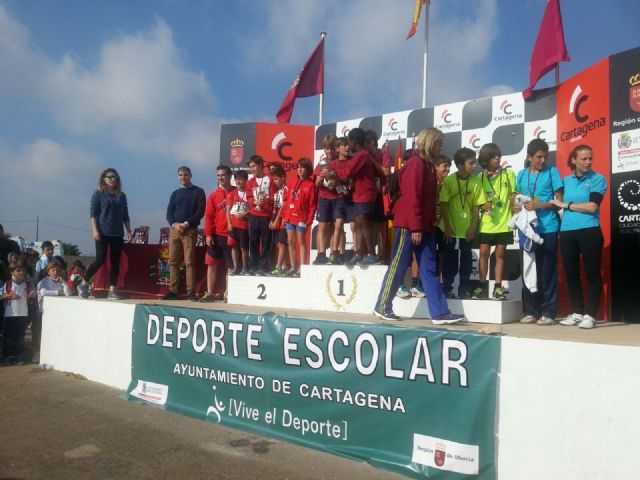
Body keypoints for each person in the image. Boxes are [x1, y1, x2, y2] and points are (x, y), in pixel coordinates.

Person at [374, 128, 464, 324]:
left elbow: (429, 199)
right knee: (398, 266)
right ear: (430, 143)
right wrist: (415, 227)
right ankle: (382, 306)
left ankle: (440, 313)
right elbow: (412, 196)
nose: (441, 146)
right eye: (439, 143)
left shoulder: (428, 166)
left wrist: (431, 222)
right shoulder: (415, 163)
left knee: (429, 268)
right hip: (409, 225)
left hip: (425, 227)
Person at [550, 145, 607, 329]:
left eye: (590, 158)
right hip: (567, 232)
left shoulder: (598, 179)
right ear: (573, 160)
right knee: (571, 274)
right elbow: (554, 203)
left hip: (590, 231)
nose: (588, 162)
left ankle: (590, 315)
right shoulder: (565, 181)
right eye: (584, 158)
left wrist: (566, 204)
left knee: (592, 274)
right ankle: (577, 312)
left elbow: (592, 207)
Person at [515, 138, 563, 325]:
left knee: (547, 270)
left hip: (548, 227)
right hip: (527, 229)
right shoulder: (520, 174)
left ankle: (548, 312)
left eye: (545, 156)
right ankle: (531, 311)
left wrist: (540, 205)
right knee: (528, 269)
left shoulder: (553, 172)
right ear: (529, 157)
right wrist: (516, 206)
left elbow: (559, 201)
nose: (543, 160)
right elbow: (517, 198)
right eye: (539, 157)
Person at [439, 148, 485, 299]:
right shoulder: (450, 180)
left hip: (467, 229)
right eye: (471, 163)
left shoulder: (476, 181)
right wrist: (448, 226)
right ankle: (447, 287)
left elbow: (476, 206)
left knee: (466, 260)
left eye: (474, 162)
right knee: (449, 259)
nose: (474, 166)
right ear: (459, 165)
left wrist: (472, 227)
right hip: (449, 229)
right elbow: (444, 204)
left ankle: (464, 288)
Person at [78, 169, 131, 300]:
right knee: (100, 259)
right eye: (110, 177)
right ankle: (84, 283)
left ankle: (112, 290)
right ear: (104, 179)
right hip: (102, 231)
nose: (113, 179)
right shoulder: (98, 194)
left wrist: (129, 230)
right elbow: (93, 214)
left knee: (115, 262)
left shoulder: (122, 196)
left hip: (117, 232)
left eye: (115, 177)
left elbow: (125, 215)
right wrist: (95, 230)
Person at [473, 143, 516, 300]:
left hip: (504, 222)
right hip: (487, 222)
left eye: (498, 155)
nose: (497, 157)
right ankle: (482, 286)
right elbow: (476, 201)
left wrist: (515, 202)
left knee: (500, 254)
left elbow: (514, 194)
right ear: (485, 159)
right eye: (493, 156)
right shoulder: (479, 178)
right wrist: (483, 204)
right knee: (484, 253)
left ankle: (498, 287)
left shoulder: (508, 174)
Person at [335, 128, 378, 266]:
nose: (348, 145)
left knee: (362, 222)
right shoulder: (361, 155)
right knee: (359, 223)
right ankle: (359, 253)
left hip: (365, 194)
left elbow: (346, 173)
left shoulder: (362, 155)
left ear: (353, 141)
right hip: (359, 194)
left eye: (349, 142)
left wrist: (334, 174)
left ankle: (371, 253)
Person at [162, 166, 206, 301]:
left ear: (190, 175)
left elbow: (200, 212)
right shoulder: (175, 193)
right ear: (178, 177)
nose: (183, 177)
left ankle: (191, 292)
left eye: (185, 175)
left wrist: (186, 223)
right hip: (175, 230)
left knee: (189, 262)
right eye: (180, 175)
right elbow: (169, 213)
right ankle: (173, 291)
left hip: (190, 230)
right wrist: (175, 225)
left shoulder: (198, 192)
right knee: (173, 261)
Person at [201, 165, 235, 303]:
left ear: (229, 176)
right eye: (218, 175)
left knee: (230, 265)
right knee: (212, 264)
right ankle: (209, 292)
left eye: (223, 175)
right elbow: (208, 216)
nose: (220, 178)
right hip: (215, 235)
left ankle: (227, 293)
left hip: (231, 235)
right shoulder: (213, 196)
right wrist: (208, 234)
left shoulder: (236, 193)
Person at [282, 157, 316, 277]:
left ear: (308, 169)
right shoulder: (292, 182)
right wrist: (285, 217)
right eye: (299, 167)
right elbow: (287, 201)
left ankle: (303, 268)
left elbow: (313, 205)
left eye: (303, 167)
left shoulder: (311, 184)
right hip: (290, 217)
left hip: (302, 218)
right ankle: (293, 266)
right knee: (290, 242)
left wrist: (309, 220)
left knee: (301, 241)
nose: (300, 170)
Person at [1, 259, 37, 366]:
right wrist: (9, 296)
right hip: (9, 315)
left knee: (20, 336)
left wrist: (32, 296)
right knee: (8, 337)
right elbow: (1, 296)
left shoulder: (29, 284)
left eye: (23, 270)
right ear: (12, 272)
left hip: (23, 314)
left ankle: (18, 356)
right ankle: (8, 356)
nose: (21, 273)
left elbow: (33, 294)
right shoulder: (7, 284)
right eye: (18, 270)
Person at [246, 155, 277, 275]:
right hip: (254, 215)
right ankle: (253, 266)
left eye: (253, 166)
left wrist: (267, 201)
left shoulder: (269, 179)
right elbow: (249, 197)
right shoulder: (250, 182)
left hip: (266, 215)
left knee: (266, 242)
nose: (252, 169)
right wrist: (254, 201)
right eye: (250, 167)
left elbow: (274, 196)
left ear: (260, 165)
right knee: (253, 241)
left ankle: (263, 267)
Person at [365, 130, 392, 263]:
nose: (365, 146)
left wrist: (372, 161)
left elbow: (387, 172)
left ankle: (382, 255)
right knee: (368, 225)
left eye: (367, 143)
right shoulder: (364, 155)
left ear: (372, 142)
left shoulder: (383, 153)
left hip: (381, 194)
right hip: (368, 194)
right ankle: (370, 254)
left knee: (381, 226)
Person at [35, 262, 70, 363]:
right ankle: (38, 353)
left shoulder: (61, 281)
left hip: (57, 313)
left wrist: (64, 283)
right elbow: (42, 292)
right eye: (53, 270)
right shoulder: (43, 281)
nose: (56, 272)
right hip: (43, 311)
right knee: (40, 333)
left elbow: (68, 293)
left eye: (58, 270)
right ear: (48, 272)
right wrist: (58, 293)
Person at [313, 134, 339, 265]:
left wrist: (336, 180)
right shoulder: (321, 164)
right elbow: (316, 182)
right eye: (327, 148)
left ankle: (334, 253)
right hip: (324, 198)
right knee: (322, 226)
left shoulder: (340, 161)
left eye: (332, 148)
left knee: (335, 226)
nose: (329, 151)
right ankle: (321, 254)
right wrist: (320, 179)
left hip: (337, 198)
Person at [226, 170, 250, 275]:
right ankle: (236, 266)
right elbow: (228, 210)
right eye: (236, 180)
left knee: (244, 248)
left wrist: (245, 214)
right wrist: (229, 224)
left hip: (244, 226)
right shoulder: (232, 194)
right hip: (234, 226)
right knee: (234, 246)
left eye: (240, 179)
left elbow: (253, 208)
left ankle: (245, 267)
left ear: (245, 180)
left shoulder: (250, 193)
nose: (238, 181)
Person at [268, 165, 290, 276]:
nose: (275, 181)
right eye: (273, 179)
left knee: (282, 244)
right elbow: (275, 208)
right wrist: (272, 220)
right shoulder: (277, 192)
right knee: (280, 244)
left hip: (285, 220)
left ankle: (279, 267)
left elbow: (283, 206)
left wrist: (277, 220)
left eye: (276, 179)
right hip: (278, 220)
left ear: (283, 177)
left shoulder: (287, 189)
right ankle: (285, 266)